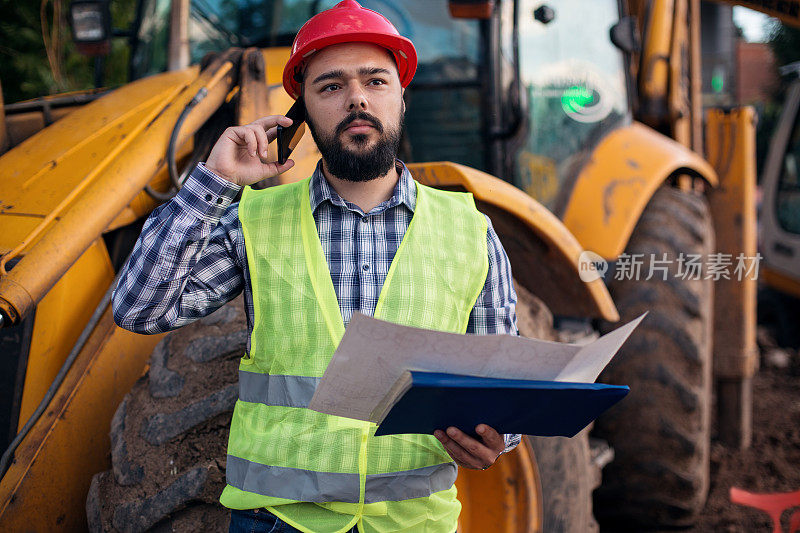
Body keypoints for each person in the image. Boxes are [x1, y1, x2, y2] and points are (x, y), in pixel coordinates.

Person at [112, 1, 520, 531]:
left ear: (402, 97)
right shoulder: (256, 220)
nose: (356, 98)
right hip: (277, 521)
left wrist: (498, 437)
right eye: (330, 86)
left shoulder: (471, 231)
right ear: (299, 111)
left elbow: (504, 386)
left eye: (375, 81)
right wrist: (213, 181)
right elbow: (140, 308)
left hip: (412, 523)